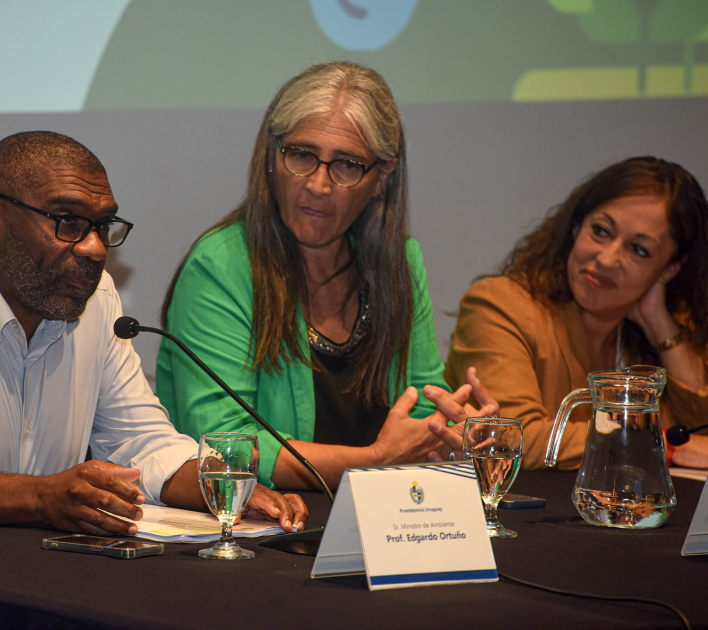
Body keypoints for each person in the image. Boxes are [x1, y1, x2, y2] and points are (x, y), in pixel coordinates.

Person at [0, 131, 307, 533]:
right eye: (68, 221)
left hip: (20, 578)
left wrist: (214, 484)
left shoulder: (98, 301)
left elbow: (141, 445)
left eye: (103, 226)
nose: (93, 248)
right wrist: (40, 496)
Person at [156, 62, 496, 491]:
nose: (318, 184)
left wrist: (452, 429)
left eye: (347, 165)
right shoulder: (219, 267)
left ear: (381, 178)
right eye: (301, 155)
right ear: (270, 157)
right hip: (257, 532)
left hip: (380, 525)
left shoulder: (401, 263)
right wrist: (375, 461)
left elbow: (423, 399)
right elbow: (225, 443)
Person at [445, 156, 708, 470]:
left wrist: (660, 325)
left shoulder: (665, 327)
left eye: (638, 250)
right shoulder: (499, 306)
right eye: (600, 231)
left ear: (669, 268)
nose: (608, 259)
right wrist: (658, 444)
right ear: (574, 227)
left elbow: (700, 431)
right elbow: (513, 438)